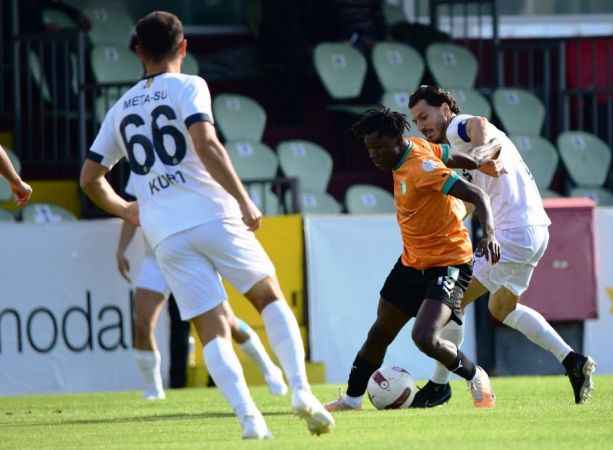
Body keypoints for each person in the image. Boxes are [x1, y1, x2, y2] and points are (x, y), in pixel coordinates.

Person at [79, 11, 333, 440]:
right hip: (212, 213)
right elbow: (205, 142)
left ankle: (250, 421)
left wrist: (125, 209)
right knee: (268, 297)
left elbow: (89, 178)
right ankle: (301, 392)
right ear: (183, 47)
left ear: (137, 51)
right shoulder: (190, 85)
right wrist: (243, 198)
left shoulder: (119, 109)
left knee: (210, 326)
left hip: (165, 233)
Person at [406, 85, 596, 407]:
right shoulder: (463, 150)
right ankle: (572, 361)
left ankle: (439, 385)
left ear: (444, 108)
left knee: (450, 301)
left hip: (513, 232)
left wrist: (481, 155)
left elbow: (478, 123)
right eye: (416, 120)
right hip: (535, 231)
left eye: (425, 115)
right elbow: (471, 200)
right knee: (500, 308)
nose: (422, 125)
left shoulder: (458, 127)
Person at [324, 108, 501, 412]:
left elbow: (476, 195)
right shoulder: (416, 147)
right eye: (370, 149)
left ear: (397, 140)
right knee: (380, 331)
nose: (374, 155)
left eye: (380, 148)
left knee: (424, 337)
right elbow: (453, 155)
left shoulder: (422, 167)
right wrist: (478, 157)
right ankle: (352, 400)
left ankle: (474, 374)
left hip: (449, 263)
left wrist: (489, 234)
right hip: (412, 262)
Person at [116, 178, 288, 400]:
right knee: (141, 321)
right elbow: (133, 212)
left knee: (228, 322)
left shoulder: (188, 160)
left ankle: (269, 369)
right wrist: (121, 249)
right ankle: (153, 391)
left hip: (190, 256)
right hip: (156, 257)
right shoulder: (140, 165)